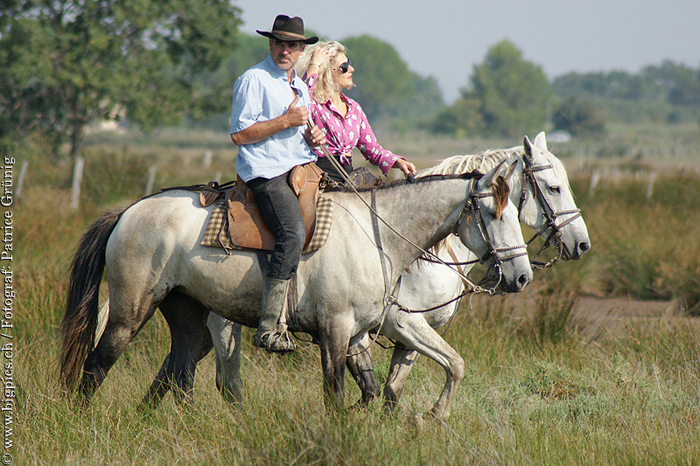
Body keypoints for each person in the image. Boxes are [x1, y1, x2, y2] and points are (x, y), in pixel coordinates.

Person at [229, 15, 324, 354]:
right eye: (280, 43)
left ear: (301, 50)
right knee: (292, 233)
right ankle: (269, 327)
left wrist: (311, 136)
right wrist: (287, 120)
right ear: (270, 44)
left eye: (293, 45)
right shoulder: (253, 79)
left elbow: (297, 132)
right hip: (266, 173)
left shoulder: (297, 85)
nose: (286, 50)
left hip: (299, 167)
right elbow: (239, 134)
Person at [295, 41, 417, 184]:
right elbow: (301, 100)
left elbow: (373, 150)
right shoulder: (313, 104)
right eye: (344, 67)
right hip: (318, 179)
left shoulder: (354, 109)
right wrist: (314, 65)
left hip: (349, 180)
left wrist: (398, 162)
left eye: (349, 63)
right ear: (327, 72)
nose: (351, 69)